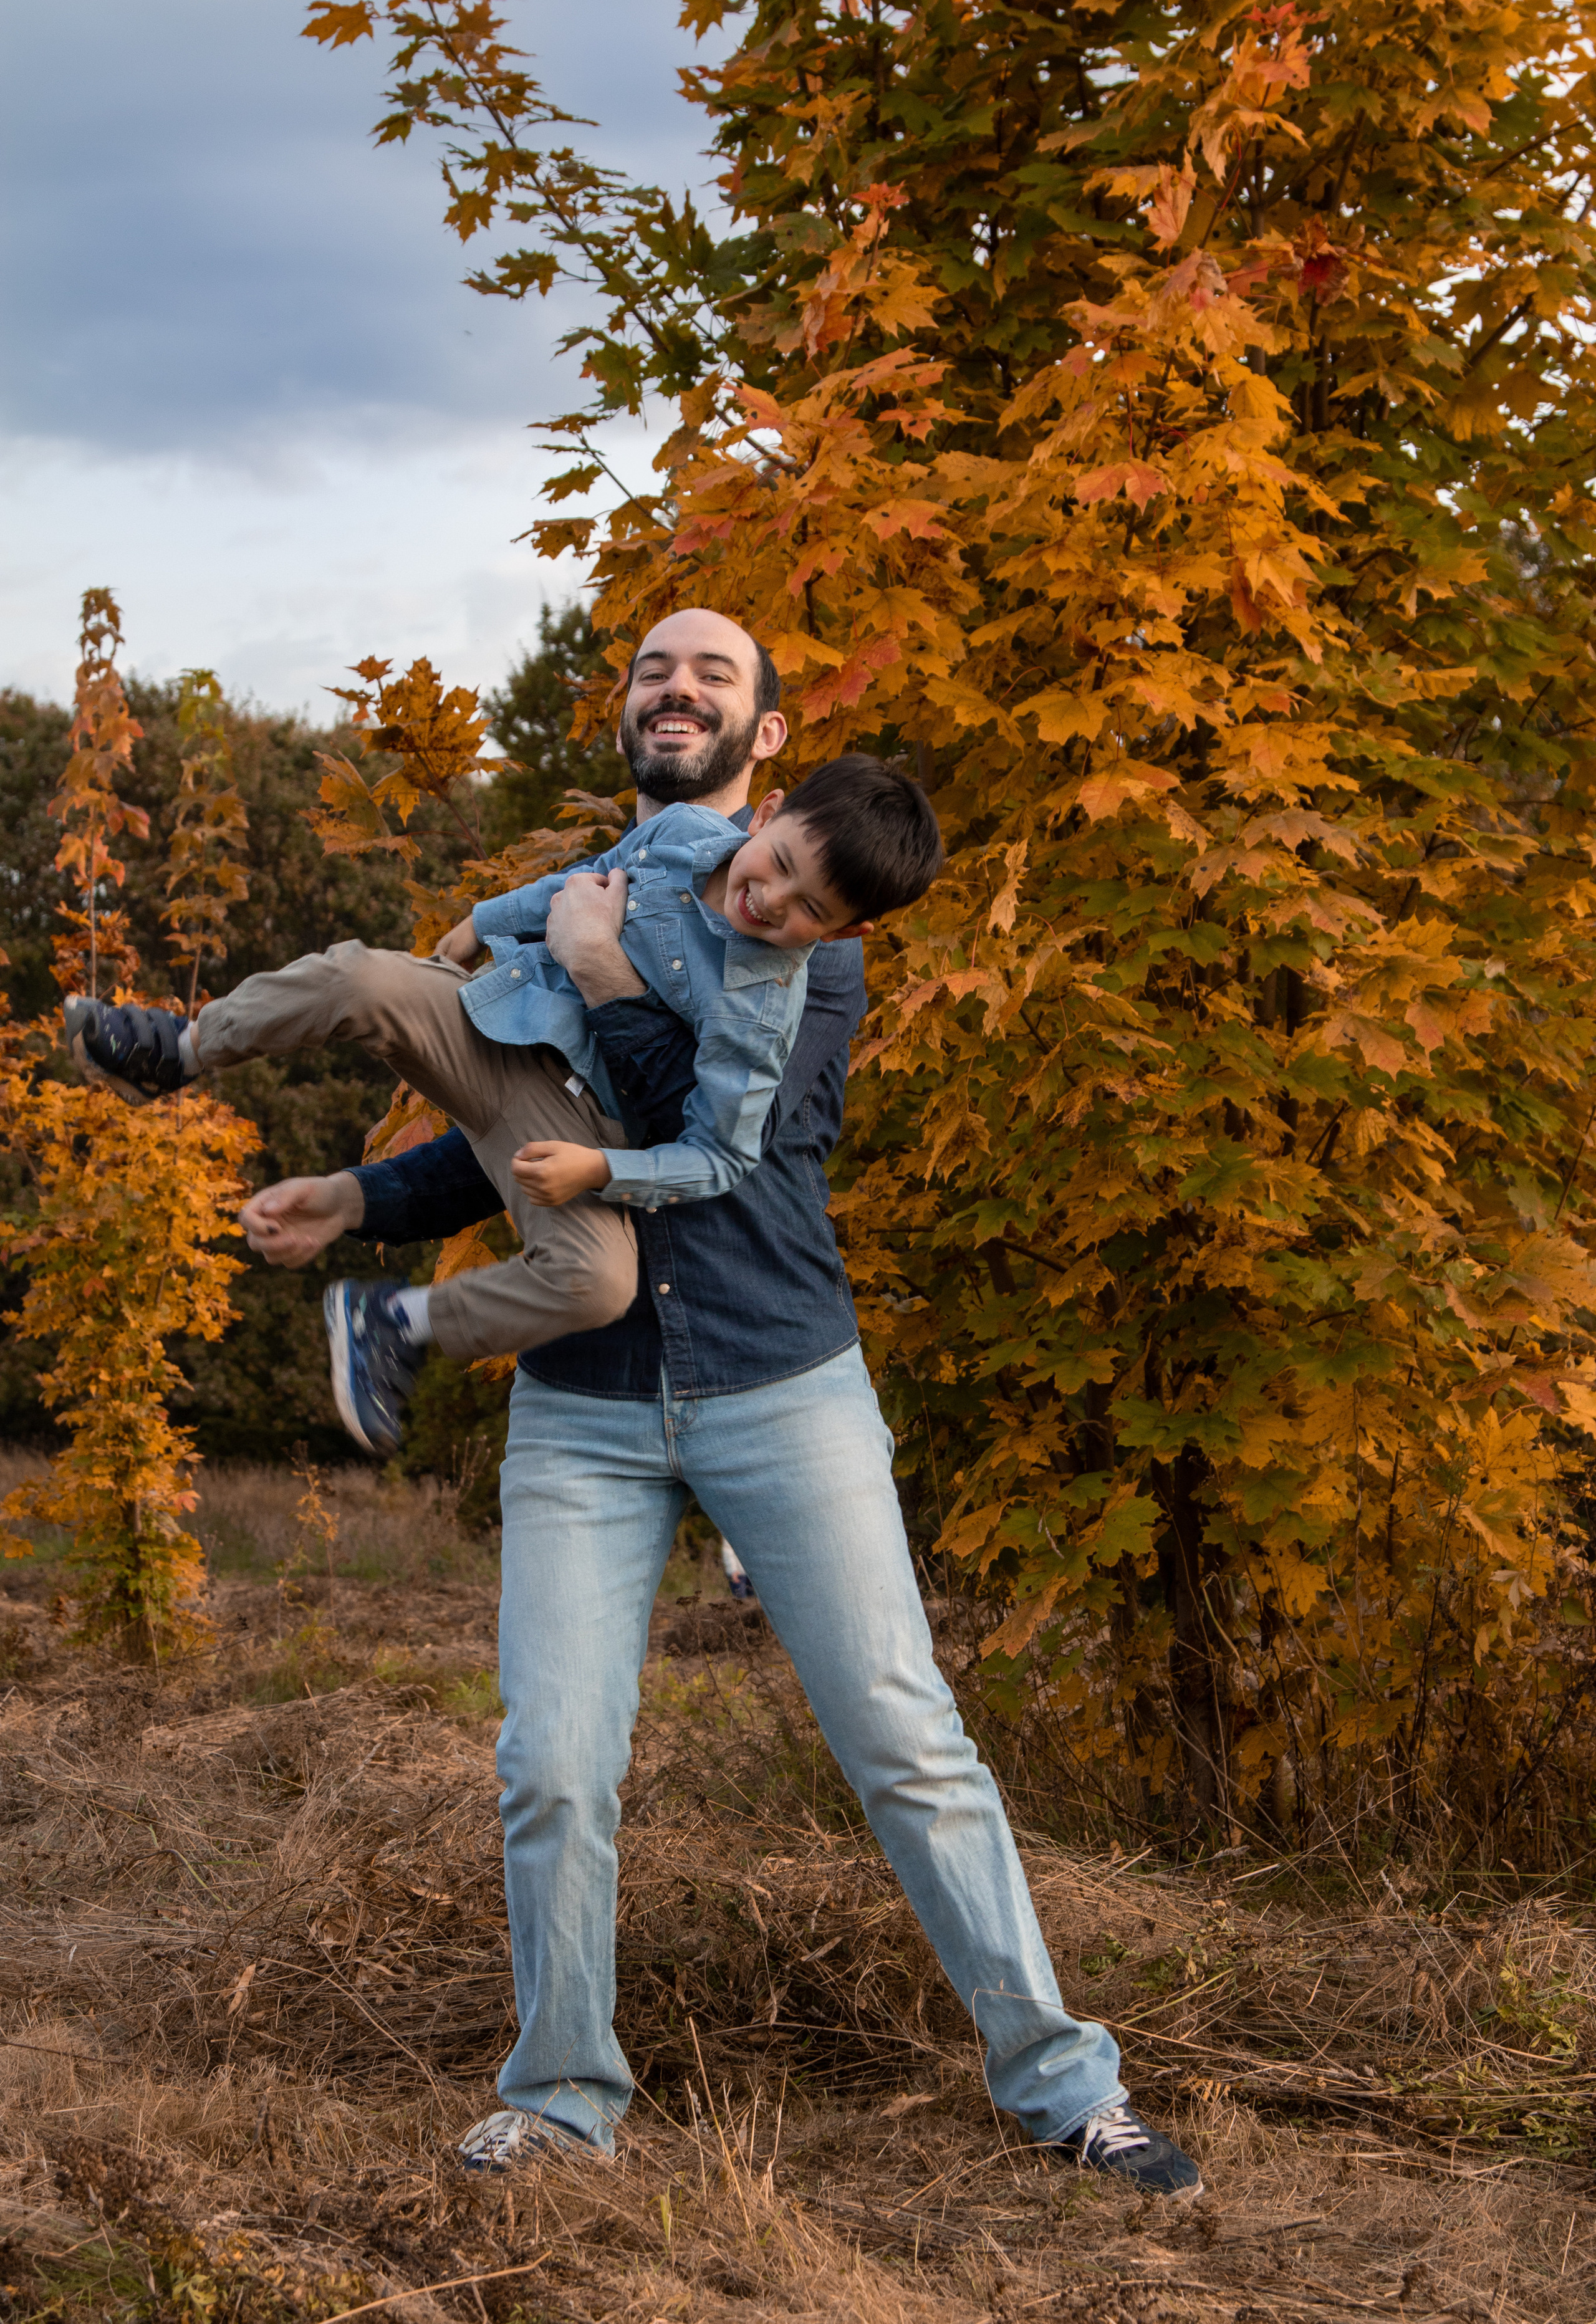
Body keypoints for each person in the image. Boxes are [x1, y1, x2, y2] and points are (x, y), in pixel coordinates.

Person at [236, 607, 1203, 2197]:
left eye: (717, 676)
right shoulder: (582, 907)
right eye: (650, 670)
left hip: (776, 1382)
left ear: (768, 749)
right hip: (586, 1407)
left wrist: (614, 977)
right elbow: (513, 1122)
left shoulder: (812, 928)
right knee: (549, 1760)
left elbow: (708, 1134)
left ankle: (1061, 2083)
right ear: (623, 713)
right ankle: (559, 2095)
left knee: (907, 1741)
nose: (674, 691)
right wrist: (355, 1194)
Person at [62, 750, 941, 1458]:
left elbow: (720, 1156)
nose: (770, 900)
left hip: (578, 1129)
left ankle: (397, 1323)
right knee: (367, 977)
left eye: (805, 909)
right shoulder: (679, 832)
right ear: (766, 809)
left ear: (846, 931)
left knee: (597, 1280)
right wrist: (489, 919)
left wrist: (602, 1169)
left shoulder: (763, 1013)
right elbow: (593, 870)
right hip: (500, 1025)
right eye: (778, 862)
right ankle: (177, 1052)